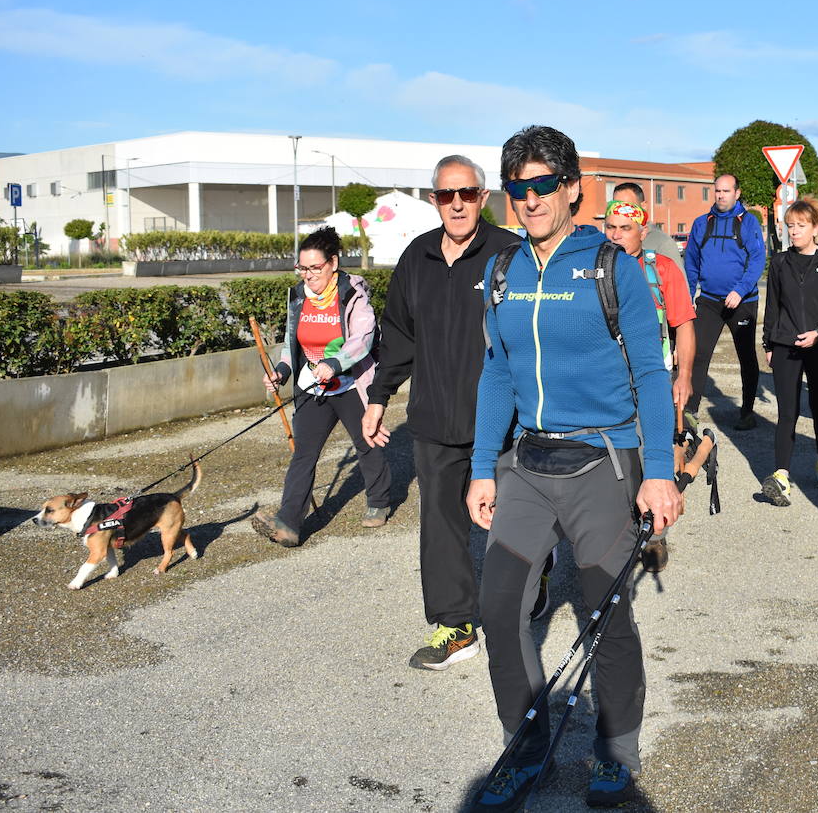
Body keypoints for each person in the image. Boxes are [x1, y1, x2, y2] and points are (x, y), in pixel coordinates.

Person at [466, 126, 682, 810]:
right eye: (518, 188)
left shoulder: (612, 267)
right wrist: (481, 466)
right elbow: (497, 372)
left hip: (602, 463)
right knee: (498, 607)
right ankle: (524, 749)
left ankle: (616, 748)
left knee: (605, 616)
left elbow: (651, 372)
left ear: (571, 189)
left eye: (542, 185)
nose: (529, 200)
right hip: (528, 463)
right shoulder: (502, 272)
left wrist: (659, 470)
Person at [360, 154, 522, 671]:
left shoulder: (509, 254)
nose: (457, 204)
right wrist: (379, 397)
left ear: (483, 198)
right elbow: (398, 336)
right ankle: (456, 625)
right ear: (434, 200)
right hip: (433, 419)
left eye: (467, 193)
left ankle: (528, 589)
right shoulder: (418, 257)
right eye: (446, 195)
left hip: (501, 420)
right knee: (441, 527)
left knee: (513, 521)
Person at [251, 227, 392, 548]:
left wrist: (335, 363)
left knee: (366, 442)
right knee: (304, 454)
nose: (308, 274)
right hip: (312, 387)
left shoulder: (352, 293)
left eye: (315, 267)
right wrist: (281, 371)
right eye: (302, 268)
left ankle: (379, 501)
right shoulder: (298, 296)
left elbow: (364, 337)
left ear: (333, 263)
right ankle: (288, 524)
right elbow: (292, 341)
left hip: (351, 383)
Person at [603, 197, 697, 572]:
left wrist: (684, 375)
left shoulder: (662, 269)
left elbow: (683, 324)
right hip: (606, 381)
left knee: (650, 457)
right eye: (610, 227)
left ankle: (654, 537)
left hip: (650, 381)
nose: (616, 235)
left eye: (625, 229)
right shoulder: (593, 269)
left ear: (643, 232)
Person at [762, 197, 818, 506]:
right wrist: (768, 343)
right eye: (790, 226)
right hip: (786, 344)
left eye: (800, 225)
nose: (794, 231)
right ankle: (781, 476)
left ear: (815, 228)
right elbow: (772, 305)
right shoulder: (780, 262)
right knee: (787, 413)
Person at [684, 173, 767, 430]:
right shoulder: (702, 223)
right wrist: (688, 296)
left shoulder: (749, 223)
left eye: (726, 191)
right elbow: (691, 263)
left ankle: (747, 412)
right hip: (709, 301)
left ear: (737, 193)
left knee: (746, 356)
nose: (721, 195)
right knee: (698, 354)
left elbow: (757, 260)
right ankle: (690, 412)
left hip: (742, 301)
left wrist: (740, 290)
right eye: (718, 191)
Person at [610, 182, 683, 265]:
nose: (620, 212)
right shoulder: (611, 239)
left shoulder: (663, 244)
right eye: (615, 206)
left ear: (643, 206)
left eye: (627, 207)